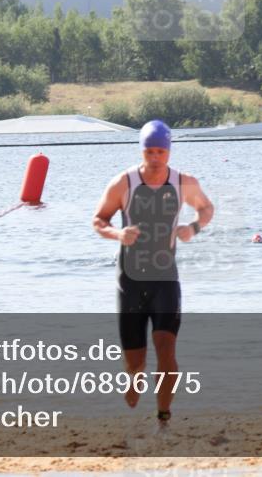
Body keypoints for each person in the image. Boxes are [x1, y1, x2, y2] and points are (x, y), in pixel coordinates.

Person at [92, 120, 214, 427]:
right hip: (130, 281)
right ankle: (134, 380)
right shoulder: (124, 183)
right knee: (135, 362)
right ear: (142, 151)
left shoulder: (183, 182)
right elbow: (99, 220)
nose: (155, 157)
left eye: (161, 151)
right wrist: (118, 234)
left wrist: (193, 228)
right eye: (150, 151)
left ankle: (163, 416)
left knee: (166, 350)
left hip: (165, 279)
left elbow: (206, 209)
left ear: (169, 151)